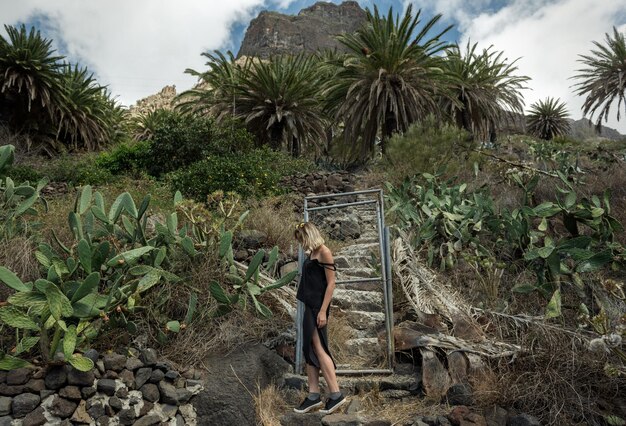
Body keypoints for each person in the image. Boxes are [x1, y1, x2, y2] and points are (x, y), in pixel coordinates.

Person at [293, 222, 346, 414]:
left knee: (319, 348)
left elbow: (331, 284)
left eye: (302, 239)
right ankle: (313, 396)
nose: (301, 244)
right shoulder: (312, 253)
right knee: (310, 348)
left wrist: (323, 311)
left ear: (309, 235)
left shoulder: (324, 252)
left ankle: (336, 394)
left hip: (317, 307)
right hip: (310, 307)